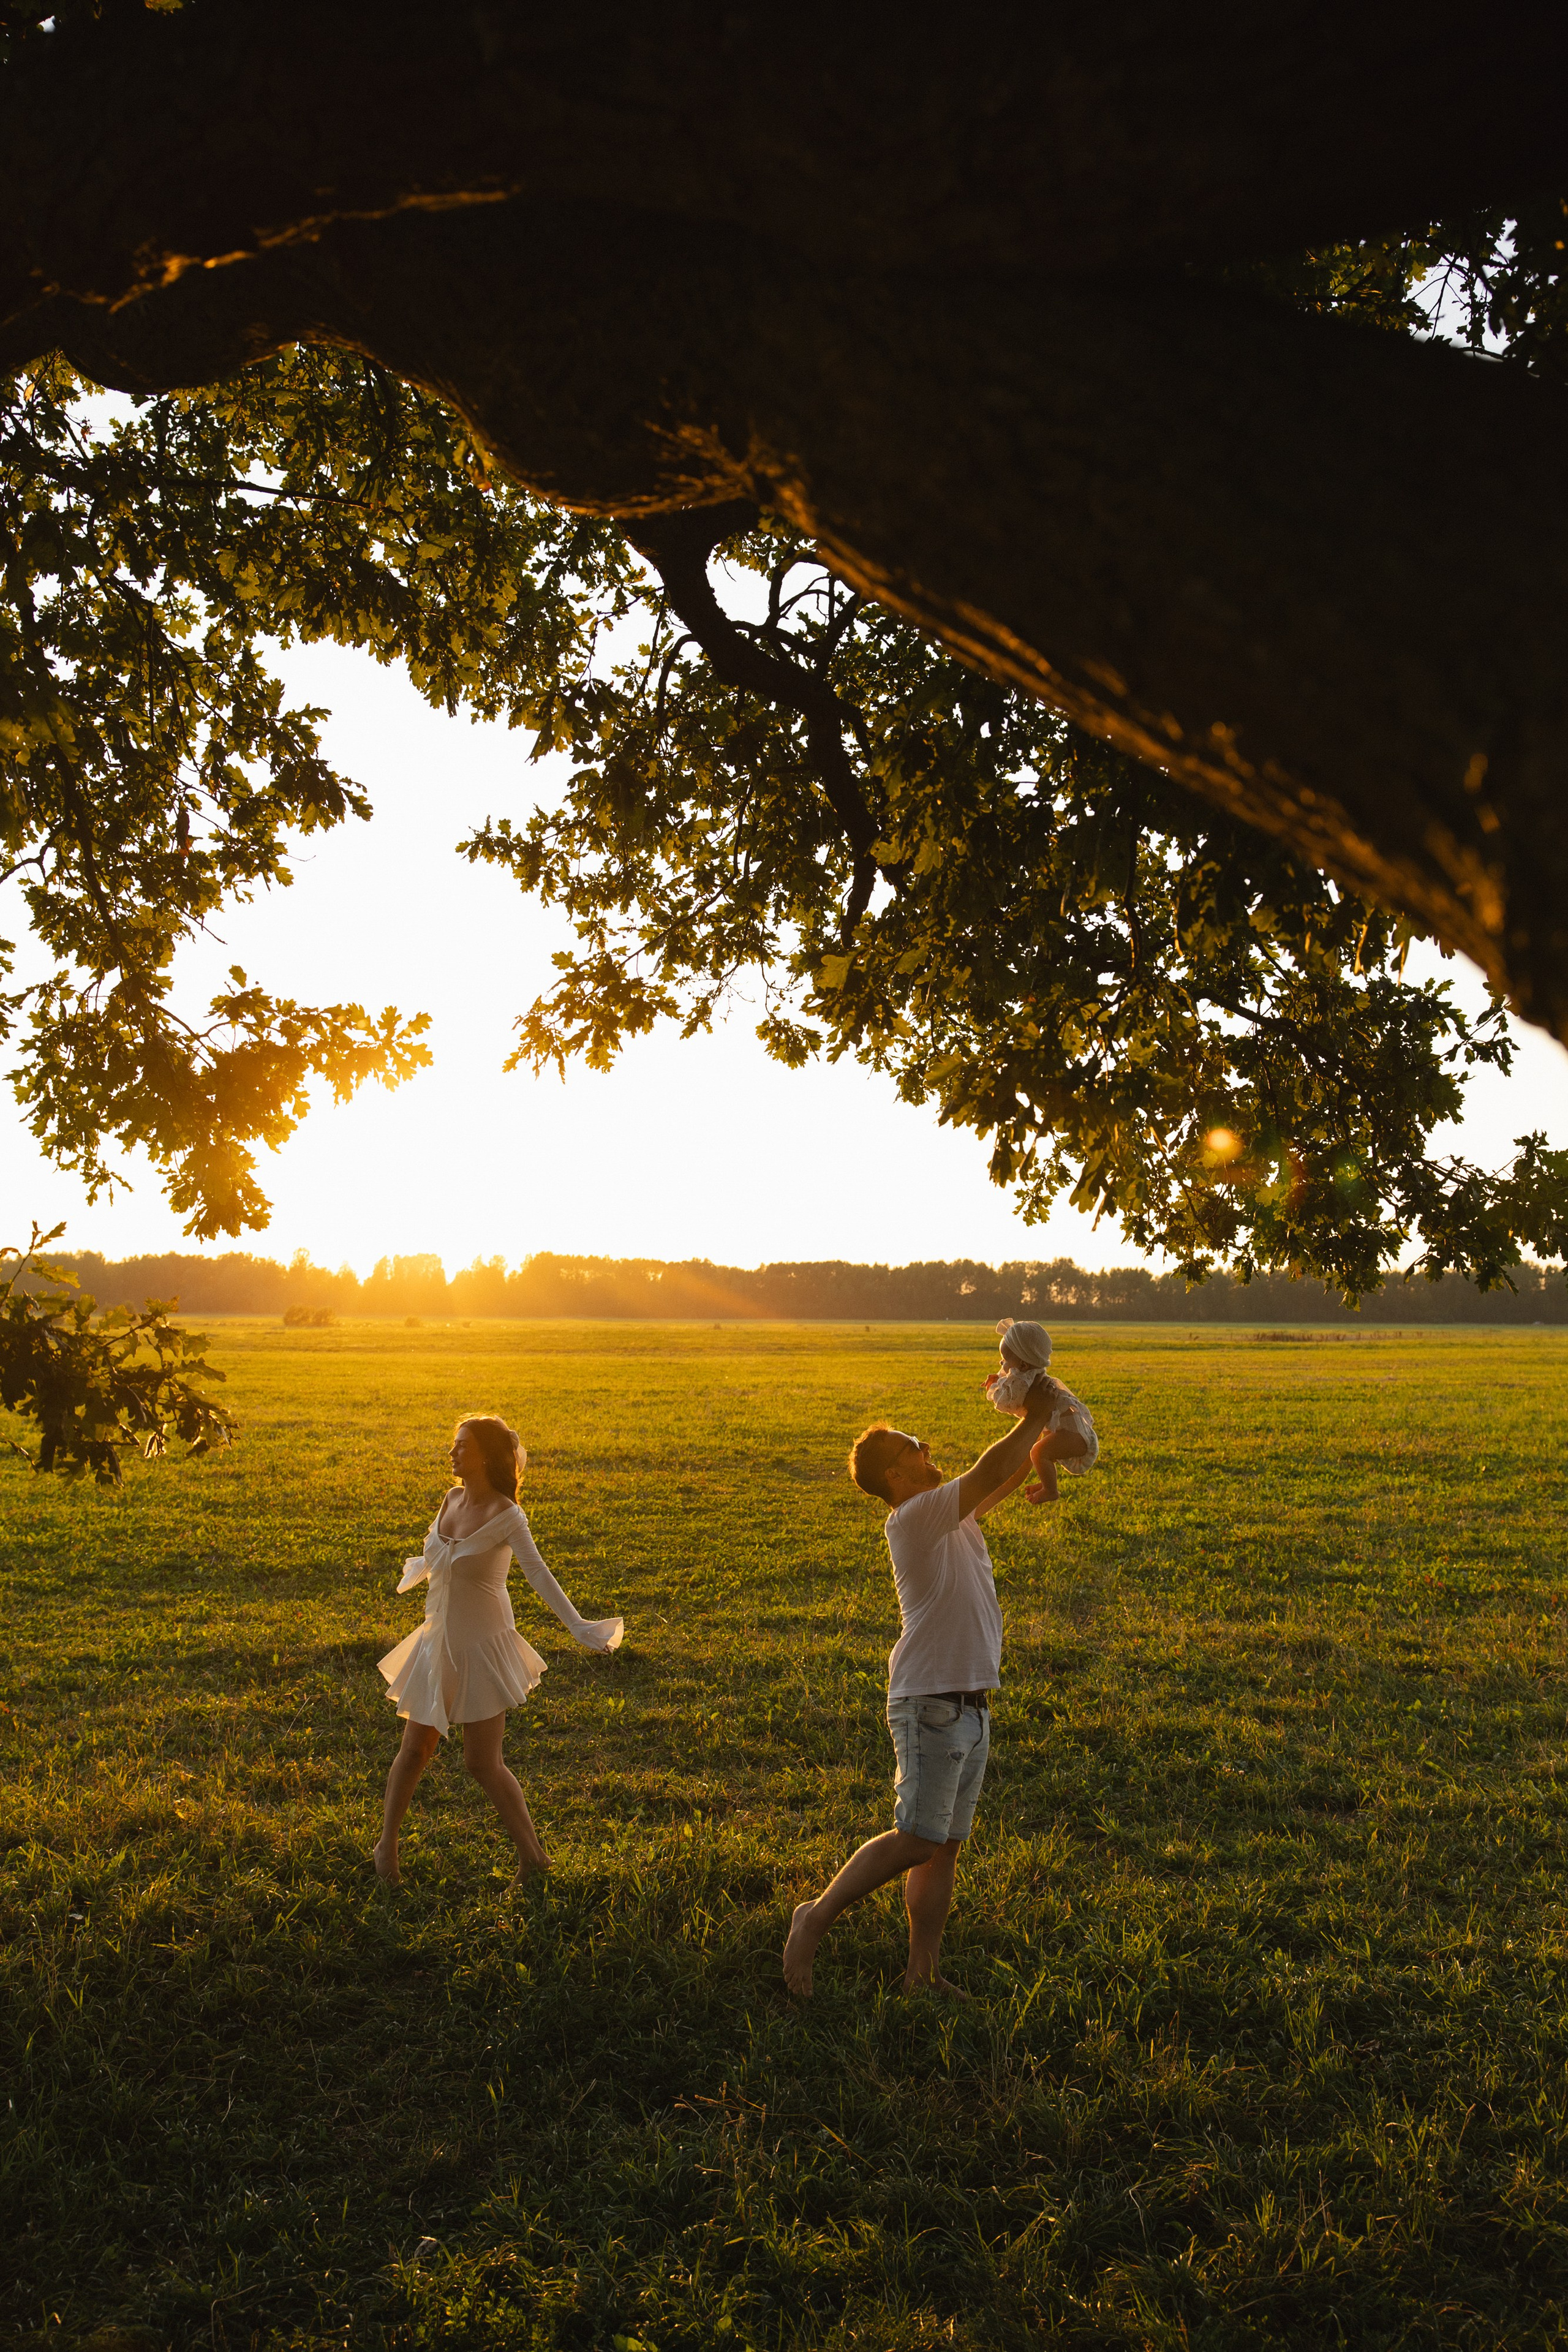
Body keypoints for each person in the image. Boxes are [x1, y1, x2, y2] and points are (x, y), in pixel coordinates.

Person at [782, 1382, 1055, 1997]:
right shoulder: (914, 1516)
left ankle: (921, 1974)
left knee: (943, 1850)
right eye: (919, 1448)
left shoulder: (946, 1514)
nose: (932, 1452)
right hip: (930, 1702)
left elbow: (994, 1480)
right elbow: (987, 1469)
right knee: (917, 1839)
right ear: (894, 1473)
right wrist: (1034, 1414)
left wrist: (1040, 1445)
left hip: (969, 1704)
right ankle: (814, 1916)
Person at [372, 1414, 622, 1888]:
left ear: (485, 1455)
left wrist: (579, 1626)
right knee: (414, 1749)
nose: (452, 1453)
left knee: (482, 1762)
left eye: (461, 1445)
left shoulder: (508, 1514)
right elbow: (435, 1555)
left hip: (483, 1646)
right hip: (437, 1640)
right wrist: (416, 1570)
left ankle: (534, 1860)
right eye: (453, 1444)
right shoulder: (450, 1499)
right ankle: (386, 1846)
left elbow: (539, 1575)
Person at [984, 1316, 1098, 1503]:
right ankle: (1047, 1484)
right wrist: (1000, 1378)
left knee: (1038, 1453)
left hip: (1074, 1435)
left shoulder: (1025, 1381)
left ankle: (1050, 1490)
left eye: (1004, 1360)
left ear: (1023, 1365)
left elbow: (1008, 1404)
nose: (1001, 1365)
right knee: (1042, 1453)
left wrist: (994, 1388)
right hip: (1073, 1432)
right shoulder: (1031, 1375)